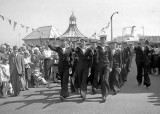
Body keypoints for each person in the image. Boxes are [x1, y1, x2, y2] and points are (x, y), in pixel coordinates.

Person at [97, 35, 113, 102]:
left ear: (105, 40)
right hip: (100, 66)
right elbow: (96, 57)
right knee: (102, 80)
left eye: (104, 40)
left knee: (105, 79)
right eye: (101, 40)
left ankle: (105, 94)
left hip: (107, 65)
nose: (103, 41)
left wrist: (111, 67)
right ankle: (103, 94)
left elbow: (111, 58)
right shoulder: (98, 48)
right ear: (100, 41)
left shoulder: (108, 48)